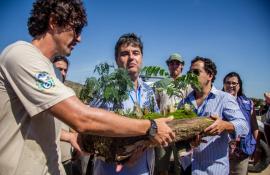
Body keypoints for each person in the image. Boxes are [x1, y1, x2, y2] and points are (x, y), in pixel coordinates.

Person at [0, 1, 175, 175]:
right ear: (53, 22)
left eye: (136, 53)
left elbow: (46, 125)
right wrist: (150, 127)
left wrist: (70, 137)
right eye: (76, 29)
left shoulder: (51, 71)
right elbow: (82, 117)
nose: (79, 38)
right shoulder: (21, 55)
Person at [88, 33, 159, 175]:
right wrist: (121, 159)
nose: (131, 57)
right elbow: (90, 130)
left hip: (144, 168)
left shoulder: (148, 91)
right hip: (112, 170)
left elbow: (156, 123)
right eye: (125, 54)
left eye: (136, 53)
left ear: (141, 58)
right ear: (117, 60)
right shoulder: (106, 89)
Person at [178, 56, 248, 175]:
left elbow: (244, 126)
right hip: (188, 167)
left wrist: (224, 125)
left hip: (213, 170)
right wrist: (188, 142)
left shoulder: (224, 99)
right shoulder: (184, 102)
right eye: (189, 73)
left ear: (210, 75)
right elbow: (178, 135)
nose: (191, 76)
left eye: (196, 72)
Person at [154, 53, 191, 175]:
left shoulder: (188, 84)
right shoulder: (160, 84)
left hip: (181, 129)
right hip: (163, 129)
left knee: (181, 167)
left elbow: (191, 107)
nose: (174, 65)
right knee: (161, 165)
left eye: (177, 63)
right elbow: (156, 104)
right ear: (168, 66)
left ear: (182, 66)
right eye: (171, 63)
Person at [222, 72, 258, 175]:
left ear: (239, 85)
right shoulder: (216, 101)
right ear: (224, 84)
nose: (230, 85)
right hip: (221, 153)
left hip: (242, 152)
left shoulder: (248, 103)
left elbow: (254, 126)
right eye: (228, 83)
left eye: (234, 83)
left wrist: (257, 147)